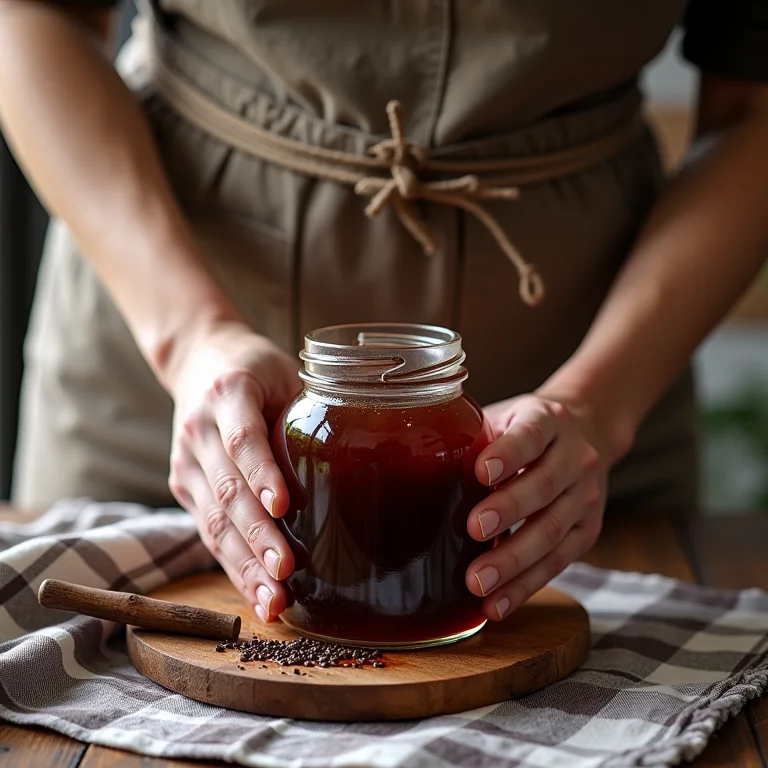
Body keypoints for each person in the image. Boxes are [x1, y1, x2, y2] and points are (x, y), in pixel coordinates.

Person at [0, 0, 765, 624]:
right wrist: (191, 338)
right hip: (165, 339)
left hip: (593, 395)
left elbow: (752, 108)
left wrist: (597, 405)